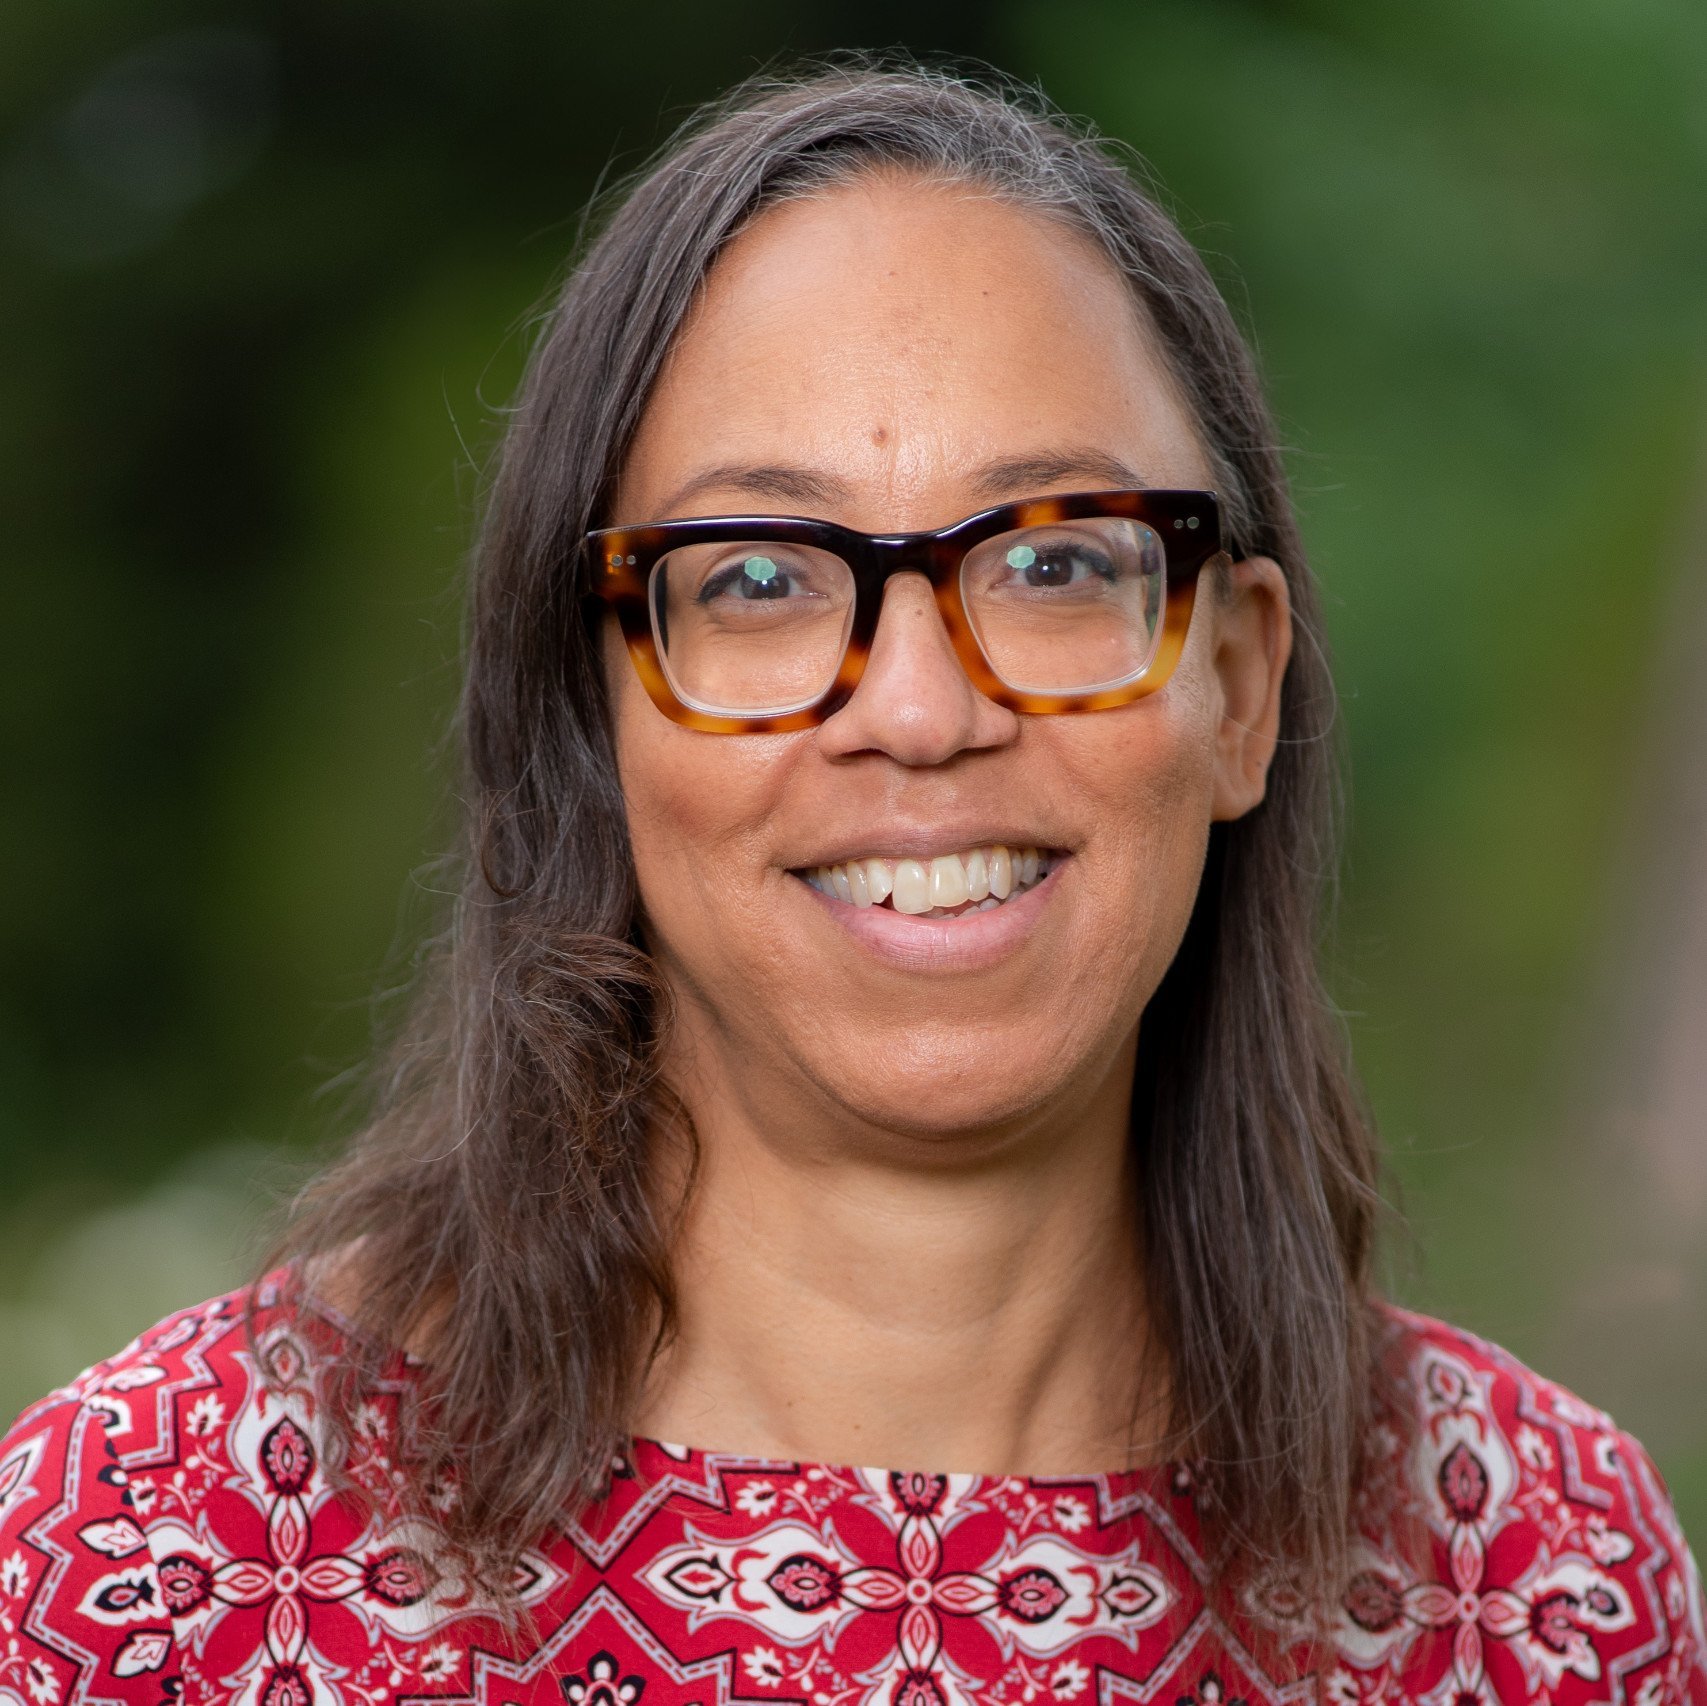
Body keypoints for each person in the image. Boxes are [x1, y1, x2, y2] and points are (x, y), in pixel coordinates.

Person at [1, 62, 1700, 1706]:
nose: (918, 709)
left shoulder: (1546, 1588)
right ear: (593, 707)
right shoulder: (143, 1574)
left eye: (1049, 559)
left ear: (1241, 686)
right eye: (757, 576)